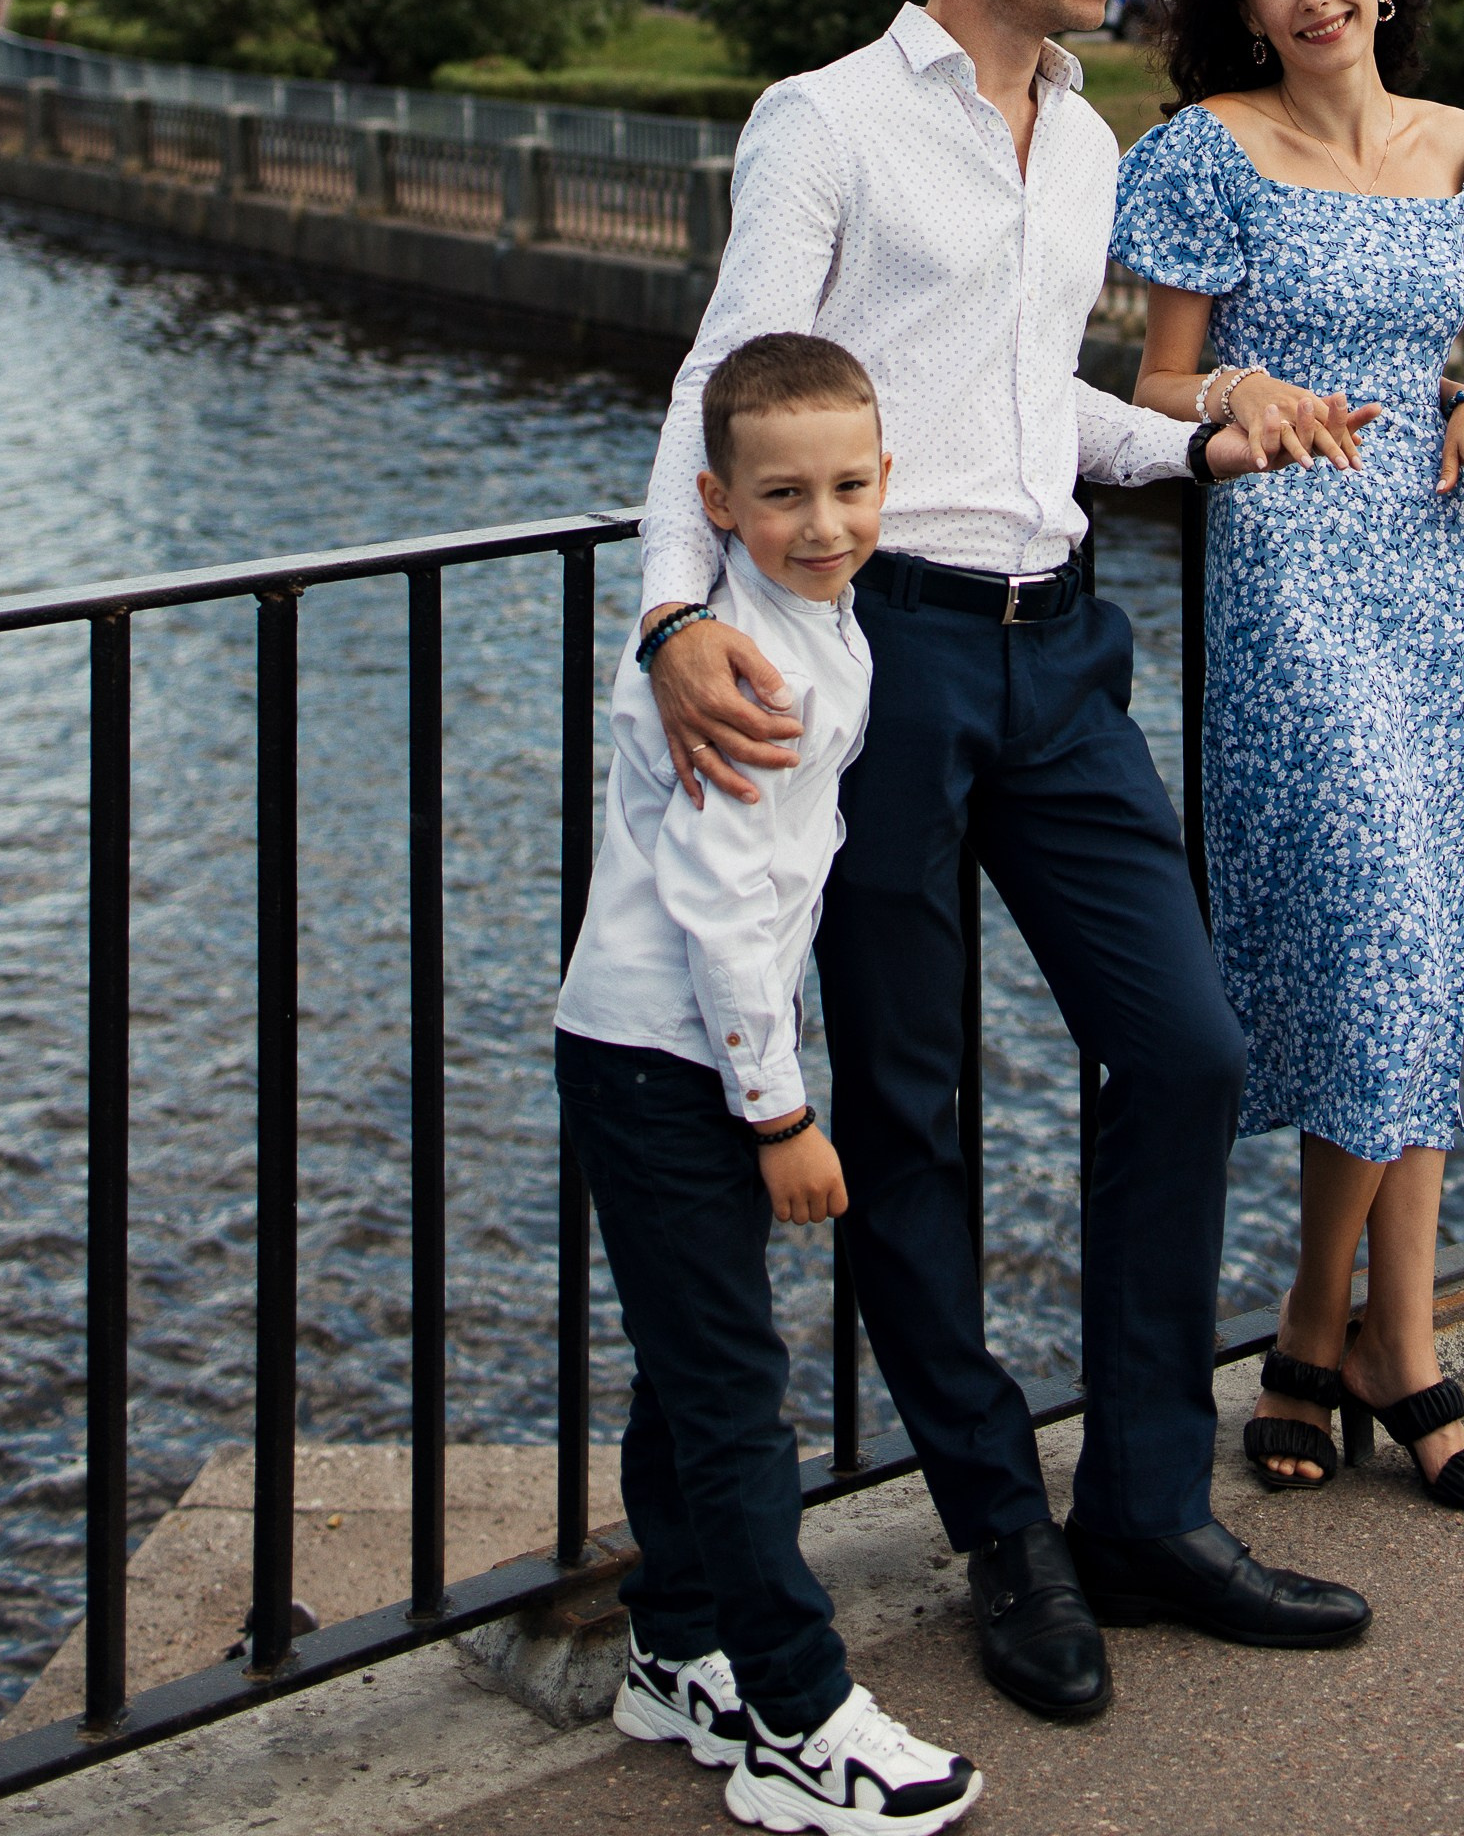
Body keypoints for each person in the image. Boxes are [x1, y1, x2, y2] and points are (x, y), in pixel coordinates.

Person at [637, 0, 1372, 1730]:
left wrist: (1205, 432)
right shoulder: (829, 126)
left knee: (1190, 1049)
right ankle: (999, 1527)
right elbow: (725, 382)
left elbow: (1023, 401)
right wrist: (671, 615)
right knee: (914, 1115)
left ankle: (1143, 1505)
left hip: (1062, 658)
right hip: (883, 669)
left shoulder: (1080, 140)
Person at [1109, 0, 1464, 1519]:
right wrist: (1235, 403)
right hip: (1291, 571)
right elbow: (1145, 389)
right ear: (1246, 7)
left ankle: (1374, 1342)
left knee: (1417, 941)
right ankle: (1330, 1333)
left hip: (1440, 570)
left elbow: (1437, 357)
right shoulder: (1209, 152)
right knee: (1365, 922)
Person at [555, 330, 984, 1833]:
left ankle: (677, 1648)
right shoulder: (756, 671)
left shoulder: (801, 624)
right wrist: (781, 1113)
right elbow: (729, 911)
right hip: (666, 1054)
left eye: (852, 487)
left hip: (666, 1049)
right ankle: (800, 1717)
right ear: (717, 502)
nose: (826, 523)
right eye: (784, 494)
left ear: (888, 482)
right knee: (739, 1391)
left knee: (696, 1361)